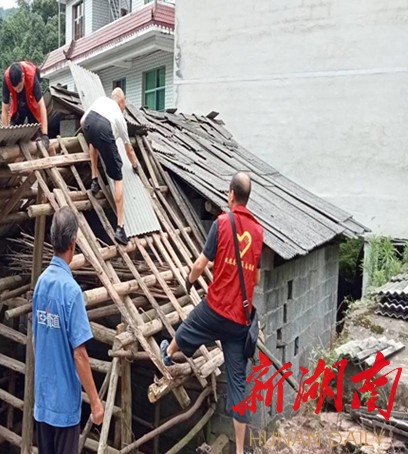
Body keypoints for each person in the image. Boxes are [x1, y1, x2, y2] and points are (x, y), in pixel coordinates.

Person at [160, 172, 263, 454]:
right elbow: (256, 277)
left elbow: (199, 265)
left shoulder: (221, 223)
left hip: (217, 309)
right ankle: (240, 451)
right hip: (240, 321)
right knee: (238, 386)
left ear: (231, 193)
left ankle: (167, 353)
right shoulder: (258, 232)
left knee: (188, 326)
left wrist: (190, 281)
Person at [32, 206, 104, 454]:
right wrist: (95, 402)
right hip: (63, 405)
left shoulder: (41, 283)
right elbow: (79, 354)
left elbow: (36, 337)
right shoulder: (71, 291)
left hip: (43, 400)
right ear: (74, 242)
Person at [80, 87, 140, 245]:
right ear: (121, 101)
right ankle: (120, 228)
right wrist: (135, 166)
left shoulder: (101, 100)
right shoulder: (120, 117)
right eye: (124, 102)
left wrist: (90, 135)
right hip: (105, 129)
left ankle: (94, 180)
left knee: (93, 142)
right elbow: (129, 150)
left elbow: (82, 121)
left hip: (88, 123)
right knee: (117, 176)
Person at [2, 61, 49, 149]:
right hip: (17, 104)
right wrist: (5, 136)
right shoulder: (6, 78)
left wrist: (45, 134)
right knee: (13, 134)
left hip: (31, 103)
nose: (17, 90)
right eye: (14, 88)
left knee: (36, 131)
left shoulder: (31, 75)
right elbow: (4, 110)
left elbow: (42, 105)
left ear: (23, 76)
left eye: (19, 87)